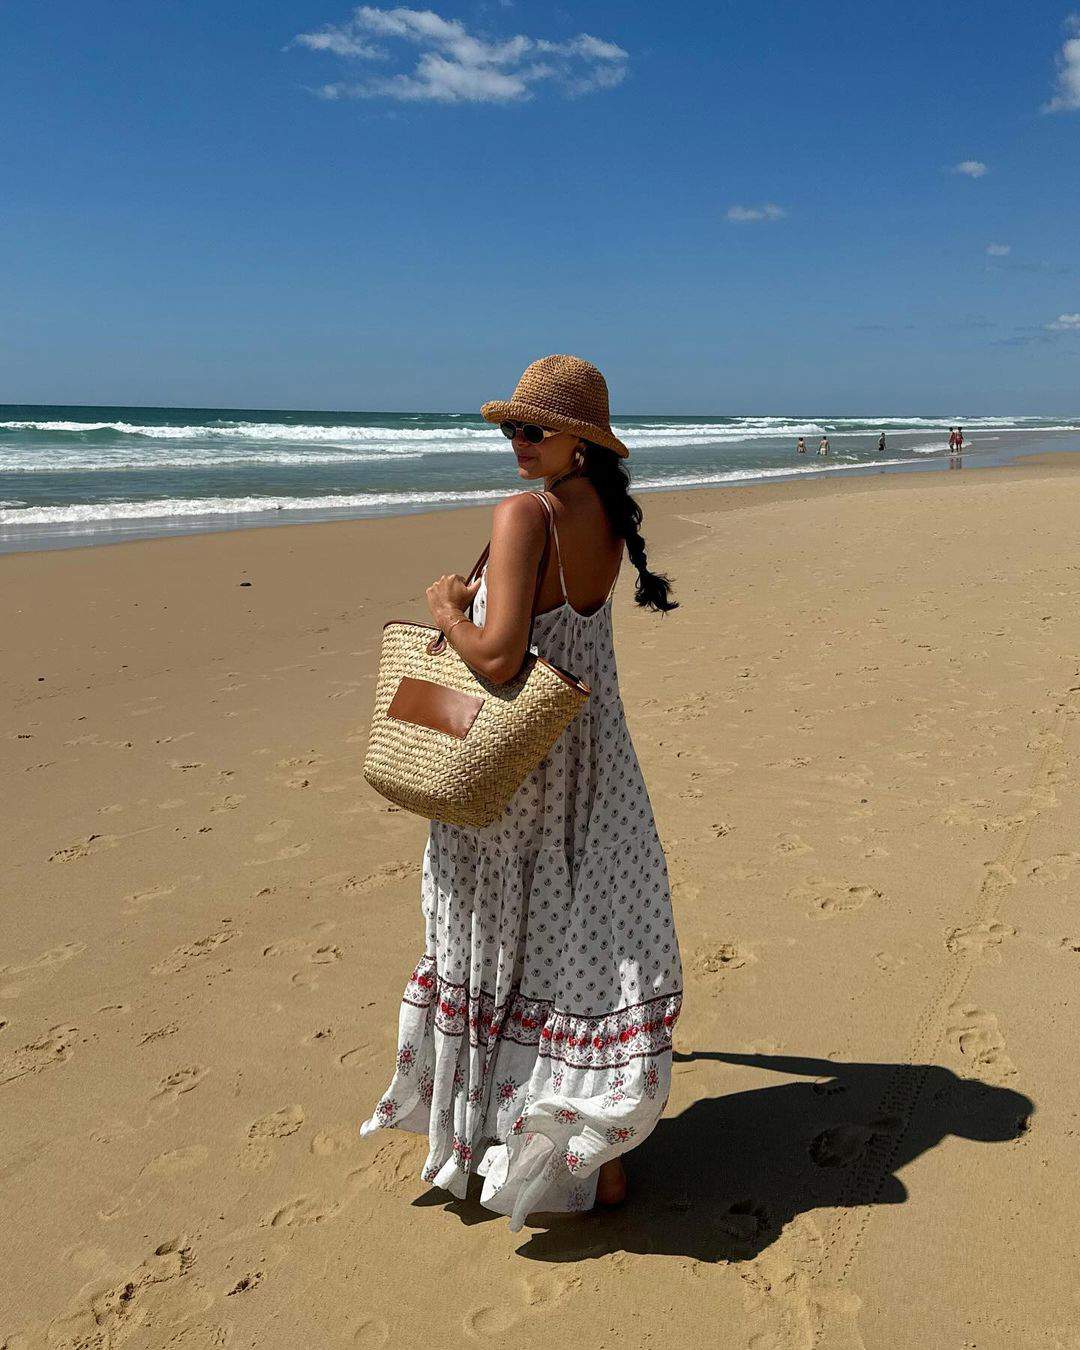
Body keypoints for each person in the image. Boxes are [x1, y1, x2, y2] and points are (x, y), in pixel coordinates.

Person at [361, 354, 683, 1232]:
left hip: (512, 771)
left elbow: (500, 659)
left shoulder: (523, 512)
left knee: (497, 947)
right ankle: (593, 1157)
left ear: (580, 439)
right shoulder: (602, 515)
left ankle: (499, 1145)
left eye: (533, 429)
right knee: (572, 955)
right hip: (587, 758)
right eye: (511, 427)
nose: (517, 441)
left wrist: (446, 613)